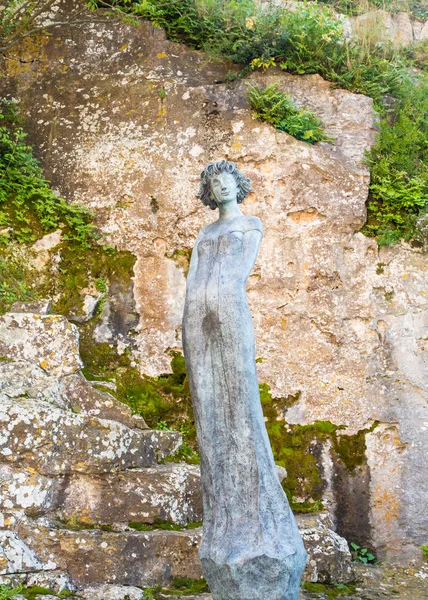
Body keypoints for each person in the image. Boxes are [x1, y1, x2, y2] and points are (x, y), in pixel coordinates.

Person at [182, 160, 307, 600]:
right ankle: (225, 532)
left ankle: (264, 534)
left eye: (225, 180)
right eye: (213, 183)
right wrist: (192, 320)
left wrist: (217, 307)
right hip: (196, 317)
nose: (220, 186)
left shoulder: (250, 224)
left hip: (230, 313)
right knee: (210, 413)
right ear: (209, 192)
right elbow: (195, 281)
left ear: (238, 185)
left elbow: (236, 274)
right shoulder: (203, 233)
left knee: (241, 409)